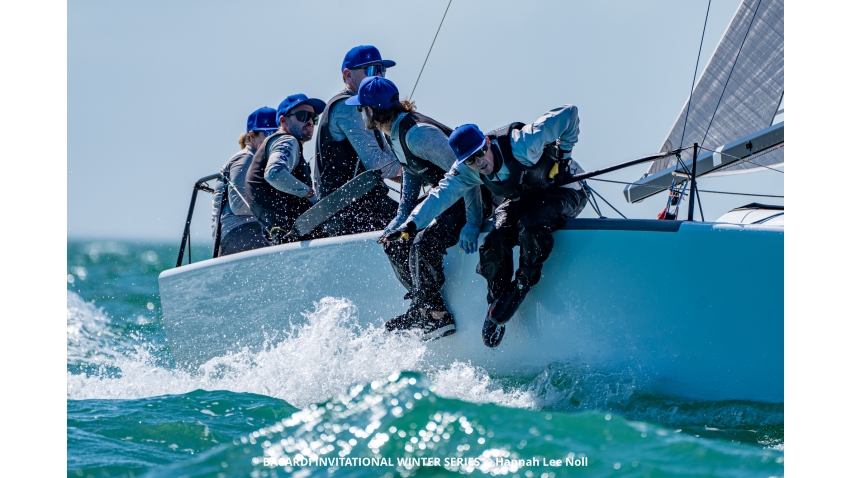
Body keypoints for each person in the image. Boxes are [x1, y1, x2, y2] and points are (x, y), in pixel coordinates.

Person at [382, 105, 588, 347]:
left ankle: (522, 283)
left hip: (565, 191)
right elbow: (438, 197)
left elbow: (569, 114)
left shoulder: (522, 142)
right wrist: (410, 225)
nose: (479, 162)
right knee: (495, 240)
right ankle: (497, 301)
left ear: (487, 143)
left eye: (481, 152)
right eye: (470, 160)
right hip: (526, 198)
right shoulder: (466, 171)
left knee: (530, 225)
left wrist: (564, 156)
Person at [349, 76, 484, 341]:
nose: (359, 113)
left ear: (371, 111)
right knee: (395, 241)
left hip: (470, 196)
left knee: (422, 242)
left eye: (359, 108)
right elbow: (410, 172)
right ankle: (422, 306)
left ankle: (437, 315)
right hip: (446, 199)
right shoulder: (394, 133)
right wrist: (400, 219)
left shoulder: (419, 134)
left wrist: (473, 222)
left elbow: (468, 175)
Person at [313, 45, 401, 236]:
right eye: (370, 70)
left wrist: (413, 169)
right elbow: (375, 161)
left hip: (363, 203)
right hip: (345, 210)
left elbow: (387, 155)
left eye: (381, 70)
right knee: (415, 223)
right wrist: (414, 172)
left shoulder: (365, 108)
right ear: (347, 76)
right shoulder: (347, 106)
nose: (377, 76)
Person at [245, 94, 326, 243]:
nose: (309, 122)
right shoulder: (287, 140)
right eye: (303, 116)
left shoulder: (271, 144)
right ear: (283, 121)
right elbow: (274, 173)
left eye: (313, 118)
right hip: (295, 235)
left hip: (284, 237)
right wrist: (308, 192)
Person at [212, 107, 277, 255]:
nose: (272, 140)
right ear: (252, 136)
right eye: (268, 134)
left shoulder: (267, 161)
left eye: (276, 135)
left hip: (254, 230)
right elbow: (239, 206)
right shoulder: (245, 158)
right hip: (238, 233)